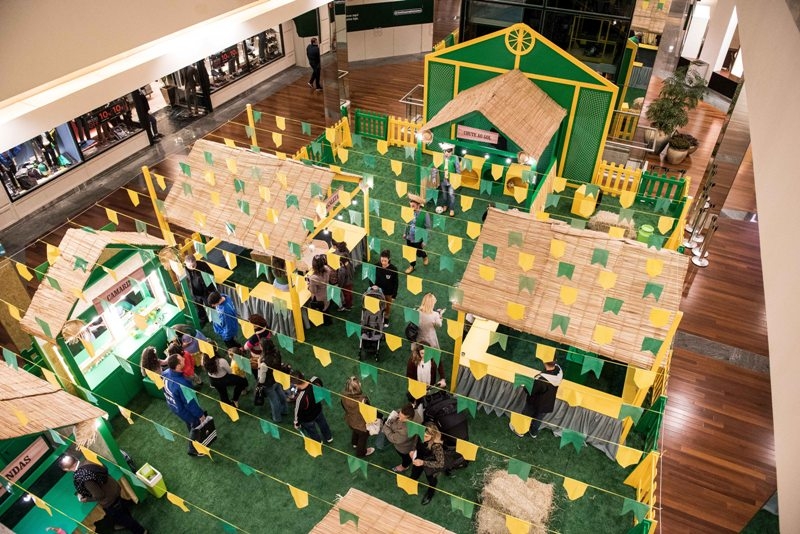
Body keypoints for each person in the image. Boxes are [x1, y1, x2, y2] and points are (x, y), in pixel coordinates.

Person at [61, 455, 147, 533]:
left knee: (122, 517)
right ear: (75, 458)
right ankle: (124, 522)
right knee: (122, 509)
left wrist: (87, 499)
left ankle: (141, 531)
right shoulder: (87, 461)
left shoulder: (83, 477)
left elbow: (99, 495)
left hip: (109, 499)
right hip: (114, 487)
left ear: (67, 469)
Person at [163, 354, 207, 456]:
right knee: (196, 423)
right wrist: (200, 414)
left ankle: (192, 430)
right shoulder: (182, 383)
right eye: (181, 359)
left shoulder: (166, 373)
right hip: (183, 409)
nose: (184, 358)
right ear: (178, 366)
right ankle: (192, 449)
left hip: (173, 405)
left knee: (190, 423)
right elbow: (190, 402)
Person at [510, 360, 563, 438]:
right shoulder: (559, 371)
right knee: (538, 419)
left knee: (526, 416)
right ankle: (533, 433)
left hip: (535, 402)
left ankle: (519, 431)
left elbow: (530, 390)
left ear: (545, 362)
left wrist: (525, 384)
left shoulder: (541, 380)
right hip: (548, 402)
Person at [409, 423, 446, 505]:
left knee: (432, 481)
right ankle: (411, 483)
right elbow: (415, 441)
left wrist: (423, 462)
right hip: (418, 458)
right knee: (414, 474)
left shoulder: (437, 446)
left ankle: (430, 494)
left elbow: (440, 463)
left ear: (432, 436)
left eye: (426, 436)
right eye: (422, 434)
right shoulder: (421, 433)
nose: (423, 437)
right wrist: (412, 449)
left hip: (430, 466)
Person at [292, 372, 333, 443]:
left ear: (296, 384)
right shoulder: (315, 379)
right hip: (318, 410)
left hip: (308, 419)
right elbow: (320, 385)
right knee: (323, 424)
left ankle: (318, 442)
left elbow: (298, 413)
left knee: (312, 431)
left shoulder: (300, 398)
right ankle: (329, 437)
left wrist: (296, 423)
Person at [383, 403, 423, 472]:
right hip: (412, 441)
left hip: (404, 448)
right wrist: (397, 414)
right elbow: (400, 411)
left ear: (408, 419)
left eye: (402, 417)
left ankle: (404, 466)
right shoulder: (413, 412)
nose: (399, 417)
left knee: (406, 458)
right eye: (400, 414)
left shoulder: (405, 431)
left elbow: (393, 438)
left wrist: (386, 426)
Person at [340, 376, 375, 458]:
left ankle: (354, 443)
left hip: (350, 420)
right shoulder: (363, 400)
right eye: (358, 383)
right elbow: (370, 412)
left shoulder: (343, 396)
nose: (360, 383)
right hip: (361, 424)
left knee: (355, 431)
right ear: (356, 389)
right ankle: (361, 453)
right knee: (363, 437)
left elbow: (344, 407)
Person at [257, 337, 288, 423]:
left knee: (274, 401)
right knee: (281, 394)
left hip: (269, 383)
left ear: (263, 347)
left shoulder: (263, 363)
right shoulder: (277, 352)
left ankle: (277, 418)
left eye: (260, 345)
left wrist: (259, 364)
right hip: (277, 378)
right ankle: (285, 410)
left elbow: (262, 379)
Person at [369, 249, 399, 328]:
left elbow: (396, 283)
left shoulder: (393, 269)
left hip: (388, 292)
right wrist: (372, 285)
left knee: (387, 306)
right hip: (377, 291)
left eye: (385, 261)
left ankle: (386, 318)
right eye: (382, 260)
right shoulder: (376, 266)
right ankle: (378, 316)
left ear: (389, 259)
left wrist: (394, 295)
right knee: (377, 304)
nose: (383, 262)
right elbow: (370, 276)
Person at [403, 194, 431, 274]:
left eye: (413, 206)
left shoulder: (425, 214)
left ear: (418, 205)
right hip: (409, 237)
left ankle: (424, 256)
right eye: (410, 206)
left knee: (418, 253)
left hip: (418, 238)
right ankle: (412, 266)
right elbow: (407, 223)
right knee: (410, 252)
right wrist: (405, 232)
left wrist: (425, 241)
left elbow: (428, 228)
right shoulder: (410, 212)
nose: (411, 208)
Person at [184, 253, 214, 324]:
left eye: (193, 265)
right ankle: (203, 319)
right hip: (194, 292)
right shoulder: (185, 269)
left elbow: (211, 274)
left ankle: (213, 318)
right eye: (190, 266)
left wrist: (209, 288)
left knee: (210, 305)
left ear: (195, 261)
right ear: (186, 264)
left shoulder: (203, 265)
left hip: (205, 291)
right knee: (199, 308)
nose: (192, 267)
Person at [306, 255, 334, 325]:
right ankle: (327, 320)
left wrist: (309, 285)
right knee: (326, 308)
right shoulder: (327, 269)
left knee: (323, 311)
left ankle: (325, 322)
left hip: (320, 297)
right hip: (327, 292)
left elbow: (313, 291)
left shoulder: (314, 278)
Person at [436, 143, 460, 217]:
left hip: (452, 180)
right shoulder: (440, 157)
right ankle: (445, 205)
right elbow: (436, 166)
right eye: (445, 151)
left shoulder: (455, 158)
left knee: (451, 195)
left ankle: (451, 209)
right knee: (444, 195)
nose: (447, 153)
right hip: (443, 180)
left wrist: (457, 180)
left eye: (449, 151)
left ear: (452, 152)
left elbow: (458, 169)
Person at [243, 313, 271, 378]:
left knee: (256, 369)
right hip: (266, 351)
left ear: (256, 326)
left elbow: (246, 347)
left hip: (256, 355)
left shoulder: (254, 338)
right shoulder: (267, 327)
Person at [332, 241, 354, 311]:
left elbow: (341, 279)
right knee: (350, 293)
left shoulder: (342, 270)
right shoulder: (349, 263)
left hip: (345, 284)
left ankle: (348, 306)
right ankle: (350, 304)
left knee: (346, 295)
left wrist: (340, 286)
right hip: (350, 281)